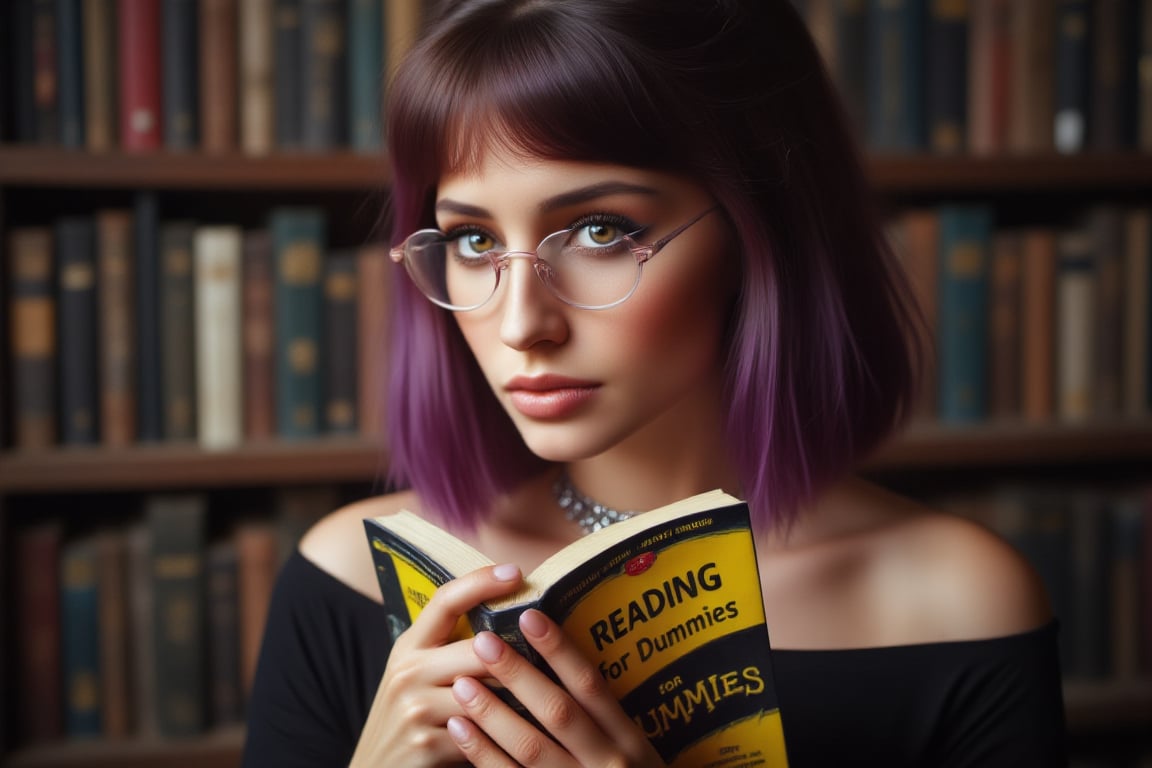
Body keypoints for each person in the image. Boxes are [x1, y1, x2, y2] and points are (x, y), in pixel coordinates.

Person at [243, 0, 1068, 765]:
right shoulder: (347, 576)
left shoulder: (959, 605)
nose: (523, 322)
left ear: (762, 232)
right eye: (471, 241)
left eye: (600, 231)